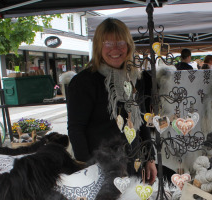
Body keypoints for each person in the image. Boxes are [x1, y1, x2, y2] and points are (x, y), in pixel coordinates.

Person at [66, 17, 157, 184]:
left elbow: (142, 121)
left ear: (128, 45)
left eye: (120, 43)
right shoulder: (84, 82)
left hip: (134, 163)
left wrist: (150, 158)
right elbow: (76, 129)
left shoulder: (137, 78)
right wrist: (87, 170)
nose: (115, 49)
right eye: (108, 43)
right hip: (100, 167)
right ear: (98, 47)